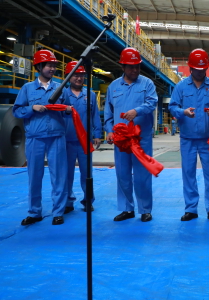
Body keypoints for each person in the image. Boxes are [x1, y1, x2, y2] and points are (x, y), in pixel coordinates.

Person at [13, 49, 70, 226]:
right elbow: (17, 111)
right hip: (35, 138)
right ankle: (34, 212)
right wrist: (32, 108)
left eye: (54, 65)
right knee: (34, 175)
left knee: (59, 176)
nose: (52, 68)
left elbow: (68, 110)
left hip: (56, 137)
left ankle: (58, 212)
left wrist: (68, 110)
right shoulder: (27, 89)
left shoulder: (61, 89)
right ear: (38, 67)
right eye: (48, 65)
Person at [169, 49, 209, 223]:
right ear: (190, 68)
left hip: (208, 139)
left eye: (203, 69)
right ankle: (191, 209)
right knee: (188, 173)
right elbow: (172, 107)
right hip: (187, 138)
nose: (200, 72)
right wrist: (183, 112)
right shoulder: (181, 87)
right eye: (197, 69)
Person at [104, 48, 158, 223]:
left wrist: (137, 111)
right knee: (122, 174)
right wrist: (109, 130)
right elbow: (108, 112)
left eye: (137, 67)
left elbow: (152, 102)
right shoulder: (113, 87)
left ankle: (145, 209)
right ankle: (127, 209)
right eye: (130, 67)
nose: (134, 70)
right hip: (121, 140)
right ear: (123, 67)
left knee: (142, 175)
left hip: (141, 139)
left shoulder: (147, 84)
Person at [63, 61, 102, 213]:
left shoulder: (90, 95)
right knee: (67, 173)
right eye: (75, 75)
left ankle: (88, 200)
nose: (79, 78)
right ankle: (67, 202)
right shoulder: (63, 94)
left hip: (85, 141)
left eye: (81, 75)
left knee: (87, 174)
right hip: (67, 140)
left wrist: (97, 134)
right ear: (68, 76)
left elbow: (95, 115)